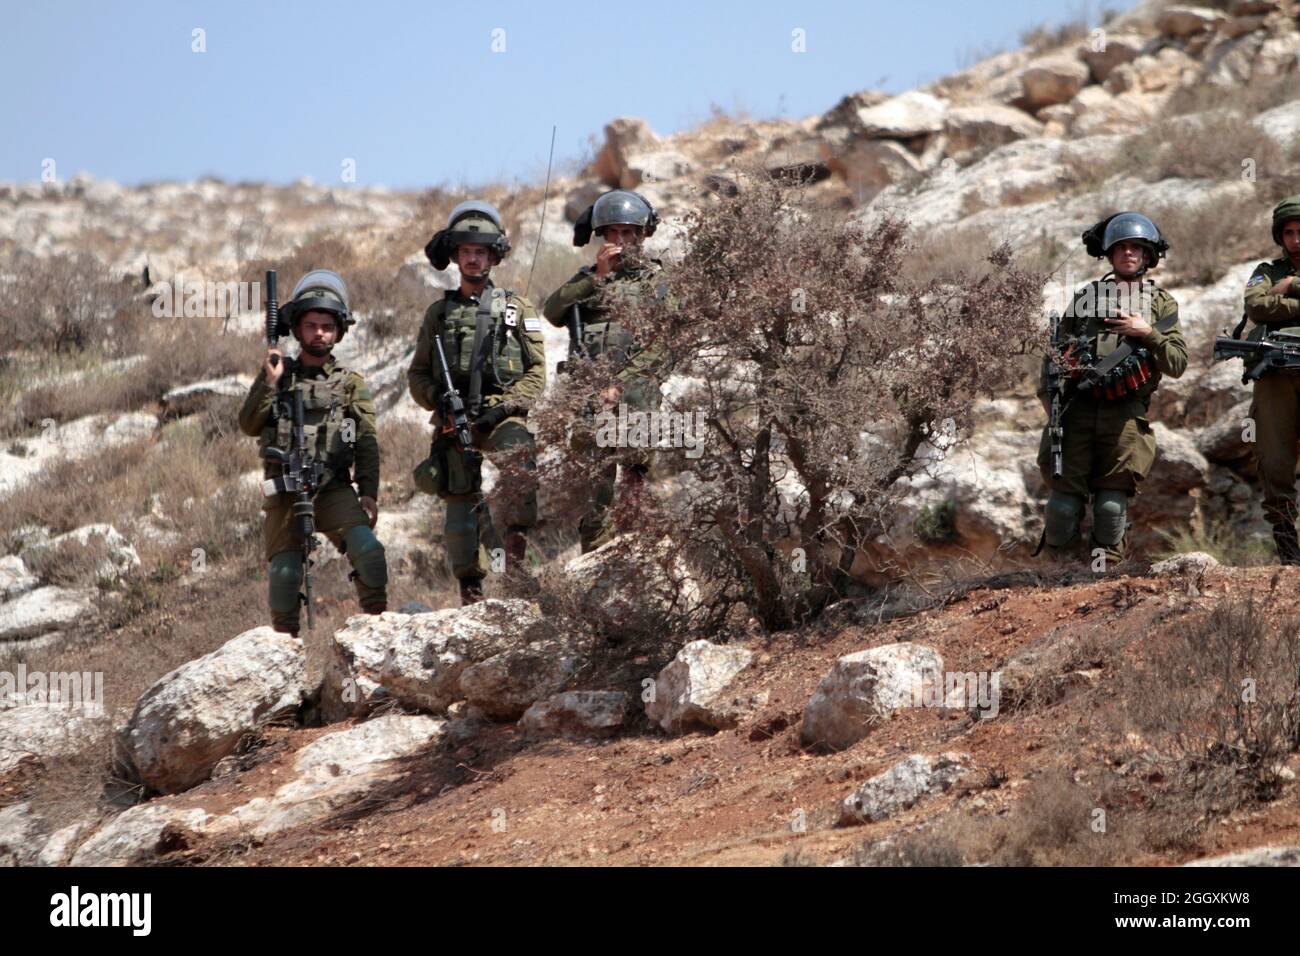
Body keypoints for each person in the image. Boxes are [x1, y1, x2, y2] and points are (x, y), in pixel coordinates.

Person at [407, 200, 546, 605]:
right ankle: (471, 595)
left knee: (521, 464)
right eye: (466, 251)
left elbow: (538, 373)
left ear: (493, 256)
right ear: (455, 256)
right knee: (460, 512)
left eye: (480, 252)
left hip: (502, 414)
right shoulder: (438, 314)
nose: (472, 259)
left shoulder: (518, 309)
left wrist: (506, 407)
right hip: (456, 419)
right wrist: (439, 399)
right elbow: (417, 375)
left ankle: (516, 575)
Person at [238, 269, 387, 633]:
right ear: (297, 329)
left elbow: (366, 440)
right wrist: (268, 383)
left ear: (338, 331)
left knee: (369, 552)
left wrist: (368, 493)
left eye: (326, 326)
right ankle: (285, 658)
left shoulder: (350, 384)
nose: (318, 332)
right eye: (310, 325)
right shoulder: (279, 376)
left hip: (333, 489)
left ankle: (380, 633)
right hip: (286, 491)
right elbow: (248, 424)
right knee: (285, 577)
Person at [1036, 212, 1187, 568]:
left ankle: (1102, 581)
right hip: (1077, 411)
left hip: (1124, 415)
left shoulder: (1161, 304)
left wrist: (1145, 332)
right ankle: (1055, 581)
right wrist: (1052, 405)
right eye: (1120, 248)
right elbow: (1054, 357)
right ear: (1108, 254)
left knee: (1110, 506)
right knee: (1062, 506)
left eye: (1137, 248)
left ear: (1149, 256)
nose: (1128, 254)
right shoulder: (1085, 298)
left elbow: (1178, 363)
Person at [542, 189, 666, 553]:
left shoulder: (655, 282)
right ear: (602, 237)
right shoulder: (589, 280)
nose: (621, 241)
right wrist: (596, 276)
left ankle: (634, 558)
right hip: (588, 398)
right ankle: (594, 559)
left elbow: (664, 344)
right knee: (592, 487)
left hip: (636, 396)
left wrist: (620, 384)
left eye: (629, 233)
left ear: (642, 236)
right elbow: (552, 311)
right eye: (613, 233)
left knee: (633, 481)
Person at [1242, 194, 1300, 563]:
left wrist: (1291, 287)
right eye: (1289, 232)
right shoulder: (1266, 271)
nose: (1296, 239)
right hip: (1276, 376)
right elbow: (1256, 304)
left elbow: (1272, 304)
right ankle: (1289, 550)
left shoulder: (1281, 279)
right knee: (1275, 463)